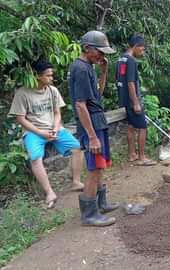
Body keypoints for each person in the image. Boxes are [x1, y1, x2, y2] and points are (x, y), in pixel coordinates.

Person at [8, 59, 84, 209]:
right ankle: (49, 192)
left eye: (51, 75)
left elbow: (57, 113)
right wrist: (40, 132)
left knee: (77, 147)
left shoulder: (52, 90)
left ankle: (76, 181)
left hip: (54, 129)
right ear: (38, 76)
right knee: (35, 158)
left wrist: (55, 128)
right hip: (33, 131)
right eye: (48, 75)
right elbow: (20, 118)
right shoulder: (23, 93)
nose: (51, 78)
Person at [68, 30, 119, 226]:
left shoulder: (88, 66)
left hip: (97, 120)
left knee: (101, 165)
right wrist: (92, 137)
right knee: (95, 166)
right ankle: (89, 214)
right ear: (88, 48)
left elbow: (97, 94)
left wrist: (104, 71)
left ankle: (101, 203)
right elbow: (80, 105)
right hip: (91, 125)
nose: (102, 56)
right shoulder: (80, 69)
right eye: (100, 52)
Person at [115, 35, 156, 166]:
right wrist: (136, 102)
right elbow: (131, 82)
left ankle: (132, 154)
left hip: (124, 99)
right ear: (136, 46)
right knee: (143, 127)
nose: (142, 52)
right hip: (132, 100)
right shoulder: (131, 61)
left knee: (131, 127)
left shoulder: (121, 59)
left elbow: (119, 80)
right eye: (142, 49)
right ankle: (142, 157)